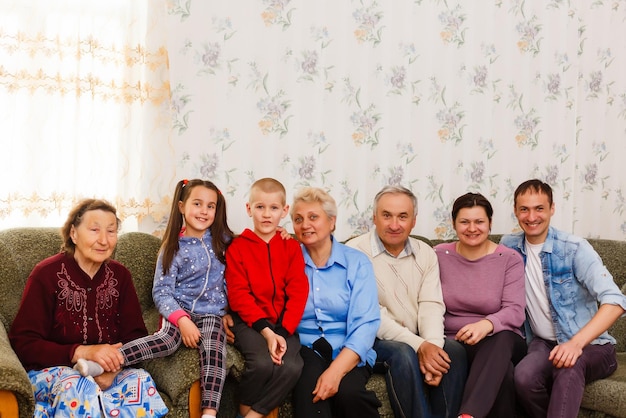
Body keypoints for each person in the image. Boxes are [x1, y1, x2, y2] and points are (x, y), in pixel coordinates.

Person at [74, 179, 235, 418]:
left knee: (214, 348)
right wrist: (182, 320)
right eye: (197, 203)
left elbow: (250, 256)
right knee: (167, 341)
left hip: (212, 313)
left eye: (210, 206)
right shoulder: (172, 247)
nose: (204, 211)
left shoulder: (224, 241)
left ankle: (209, 413)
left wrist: (280, 233)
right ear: (181, 206)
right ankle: (106, 362)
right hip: (179, 311)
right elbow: (161, 291)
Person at [8, 199, 168, 417]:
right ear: (74, 234)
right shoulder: (45, 274)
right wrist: (80, 352)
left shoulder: (121, 276)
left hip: (109, 371)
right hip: (55, 373)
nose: (103, 240)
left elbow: (136, 337)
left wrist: (114, 368)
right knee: (79, 386)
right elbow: (23, 343)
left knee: (139, 381)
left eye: (111, 231)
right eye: (94, 230)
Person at [500, 179, 626, 418]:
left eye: (539, 208)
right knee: (524, 377)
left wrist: (575, 344)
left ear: (552, 209)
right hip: (543, 342)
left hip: (594, 346)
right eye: (524, 209)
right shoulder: (510, 246)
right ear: (515, 211)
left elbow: (616, 301)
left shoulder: (575, 248)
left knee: (568, 366)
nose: (531, 216)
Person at [346, 185, 467, 418]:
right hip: (372, 338)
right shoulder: (354, 252)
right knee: (403, 353)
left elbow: (431, 305)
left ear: (413, 221)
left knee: (453, 351)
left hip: (414, 336)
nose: (394, 224)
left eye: (403, 216)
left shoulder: (425, 253)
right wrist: (420, 346)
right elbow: (371, 315)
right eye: (386, 215)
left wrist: (433, 347)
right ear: (374, 218)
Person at [290, 186, 382, 418]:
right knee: (311, 396)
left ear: (332, 222)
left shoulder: (357, 263)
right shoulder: (288, 261)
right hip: (304, 351)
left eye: (313, 217)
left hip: (347, 349)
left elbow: (366, 324)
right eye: (298, 219)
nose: (304, 224)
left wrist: (335, 372)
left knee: (348, 394)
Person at [434, 192, 527, 418]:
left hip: (501, 339)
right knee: (503, 374)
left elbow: (515, 310)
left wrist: (486, 324)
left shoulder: (509, 259)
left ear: (490, 223)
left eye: (479, 222)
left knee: (501, 338)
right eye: (464, 222)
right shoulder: (438, 255)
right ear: (454, 223)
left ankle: (468, 414)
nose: (472, 228)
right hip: (455, 340)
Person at [225, 178, 309, 418]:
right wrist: (266, 331)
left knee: (293, 366)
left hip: (284, 323)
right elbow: (238, 294)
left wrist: (281, 332)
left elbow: (298, 292)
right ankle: (245, 408)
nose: (266, 214)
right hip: (250, 322)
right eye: (260, 207)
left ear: (284, 211)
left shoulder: (291, 247)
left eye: (273, 208)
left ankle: (253, 415)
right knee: (261, 364)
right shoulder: (237, 247)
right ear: (249, 209)